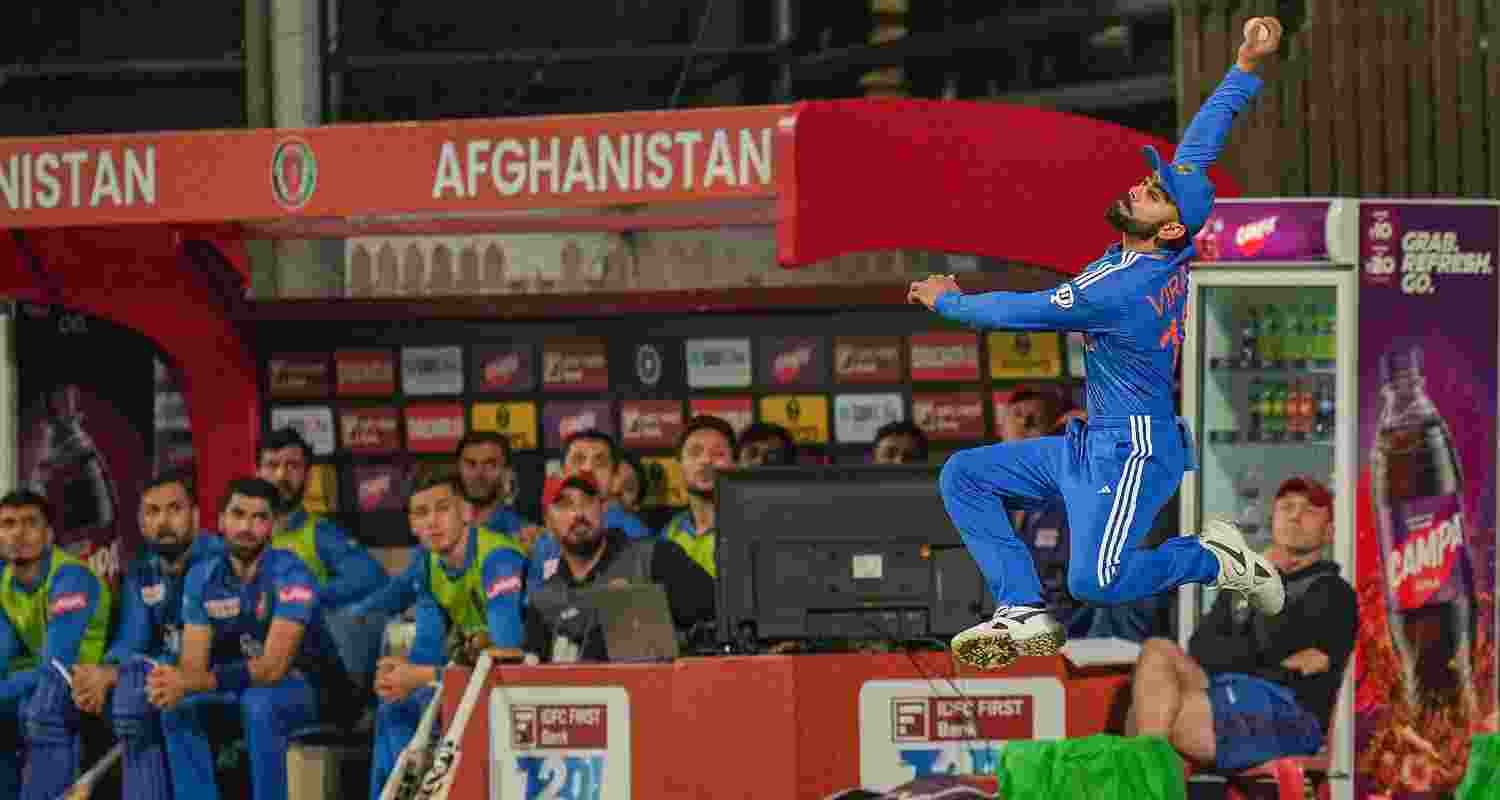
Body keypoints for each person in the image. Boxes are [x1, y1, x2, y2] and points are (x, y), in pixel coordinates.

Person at [907, 17, 1288, 669]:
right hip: (1095, 444)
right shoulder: (1160, 245)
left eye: (1154, 194)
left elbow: (1017, 311)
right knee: (964, 475)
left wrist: (948, 300)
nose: (1141, 187)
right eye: (1151, 181)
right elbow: (1200, 145)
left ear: (1168, 231)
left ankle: (1212, 557)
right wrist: (1245, 67)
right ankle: (1022, 608)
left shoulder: (1121, 289)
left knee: (1095, 583)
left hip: (1133, 454)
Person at [1125, 476, 1356, 773]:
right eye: (1287, 507)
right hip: (1230, 692)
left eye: (1310, 511)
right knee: (1157, 650)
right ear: (1274, 520)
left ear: (1329, 532)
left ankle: (1146, 784)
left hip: (1288, 712)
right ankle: (1150, 783)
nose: (1295, 516)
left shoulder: (1334, 593)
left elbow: (1275, 647)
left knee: (1166, 716)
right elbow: (1202, 649)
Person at [148, 477, 355, 800]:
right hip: (243, 686)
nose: (247, 526)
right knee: (178, 706)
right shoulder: (203, 576)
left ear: (272, 527)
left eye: (259, 517)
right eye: (238, 514)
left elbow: (273, 668)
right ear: (220, 521)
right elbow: (192, 668)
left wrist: (191, 681)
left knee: (260, 703)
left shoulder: (292, 573)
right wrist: (174, 683)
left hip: (315, 690)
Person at [367, 474, 527, 800]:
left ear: (466, 512)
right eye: (421, 513)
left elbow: (508, 652)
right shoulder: (428, 565)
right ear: (412, 524)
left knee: (417, 698)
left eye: (443, 509)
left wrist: (421, 676)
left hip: (521, 680)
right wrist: (402, 674)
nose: (432, 522)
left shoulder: (497, 558)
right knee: (395, 705)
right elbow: (427, 648)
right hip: (473, 678)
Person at [70, 472, 223, 800]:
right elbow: (131, 640)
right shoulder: (142, 569)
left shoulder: (219, 561)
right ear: (140, 522)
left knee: (157, 696)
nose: (163, 521)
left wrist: (116, 674)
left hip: (219, 678)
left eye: (174, 509)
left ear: (195, 515)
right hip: (163, 678)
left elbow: (200, 658)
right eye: (152, 512)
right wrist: (100, 675)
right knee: (123, 694)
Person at [352, 431, 540, 619]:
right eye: (470, 464)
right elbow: (404, 586)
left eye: (490, 465)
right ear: (459, 468)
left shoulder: (524, 536)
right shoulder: (439, 531)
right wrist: (361, 610)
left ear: (507, 473)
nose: (479, 474)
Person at [0, 490, 114, 800]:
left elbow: (57, 665)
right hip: (39, 682)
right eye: (8, 524)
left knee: (42, 706)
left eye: (29, 523)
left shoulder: (70, 576)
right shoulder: (5, 580)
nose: (18, 533)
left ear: (48, 534)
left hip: (90, 683)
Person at [527, 475, 716, 661]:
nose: (578, 513)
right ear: (547, 521)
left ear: (603, 508)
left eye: (587, 501)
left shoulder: (655, 558)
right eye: (564, 504)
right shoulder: (544, 600)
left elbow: (722, 621)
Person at [659, 416, 737, 578]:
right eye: (695, 452)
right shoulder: (671, 531)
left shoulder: (748, 526)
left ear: (735, 464)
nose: (706, 460)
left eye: (718, 454)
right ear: (680, 464)